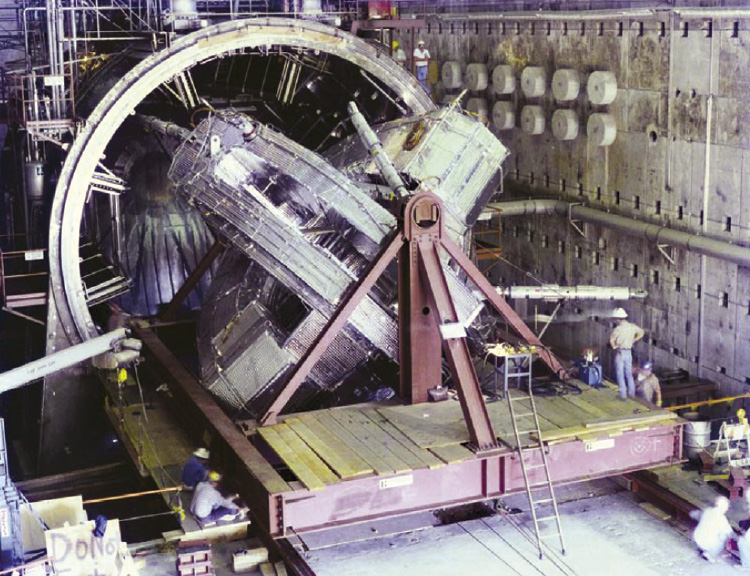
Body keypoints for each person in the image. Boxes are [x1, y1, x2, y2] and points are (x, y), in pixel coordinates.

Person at [608, 308, 644, 400]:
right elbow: (641, 332)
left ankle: (623, 395)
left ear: (618, 319)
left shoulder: (618, 329)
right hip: (629, 352)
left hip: (620, 352)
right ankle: (632, 394)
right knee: (628, 373)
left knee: (620, 374)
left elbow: (611, 340)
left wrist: (614, 347)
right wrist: (634, 340)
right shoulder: (632, 326)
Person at [693, 496, 733, 563]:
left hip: (697, 537)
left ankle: (701, 548)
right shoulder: (721, 518)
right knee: (724, 535)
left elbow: (695, 514)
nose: (727, 508)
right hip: (707, 542)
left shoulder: (707, 510)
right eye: (727, 506)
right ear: (721, 506)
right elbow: (730, 532)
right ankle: (710, 554)